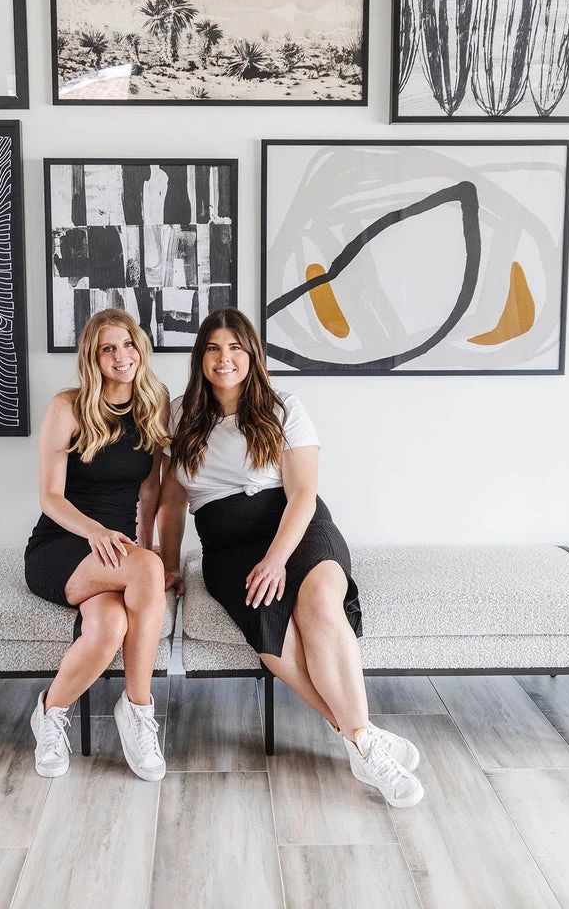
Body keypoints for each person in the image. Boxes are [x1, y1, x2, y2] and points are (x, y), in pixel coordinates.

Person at [157, 308, 424, 807]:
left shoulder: (284, 409)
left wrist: (277, 559)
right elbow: (171, 501)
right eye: (213, 348)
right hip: (228, 547)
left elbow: (302, 494)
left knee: (320, 601)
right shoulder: (178, 415)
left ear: (252, 355)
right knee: (270, 629)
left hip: (297, 529)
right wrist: (170, 563)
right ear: (200, 357)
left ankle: (363, 745)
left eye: (235, 348)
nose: (224, 358)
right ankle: (363, 739)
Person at [25, 309, 174, 781]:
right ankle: (139, 707)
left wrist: (146, 550)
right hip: (63, 546)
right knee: (146, 569)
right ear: (93, 356)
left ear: (140, 348)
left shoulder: (155, 401)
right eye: (108, 348)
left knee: (109, 626)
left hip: (117, 555)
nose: (121, 356)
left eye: (128, 344)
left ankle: (49, 713)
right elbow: (50, 497)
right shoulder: (67, 406)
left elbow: (150, 488)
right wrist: (95, 532)